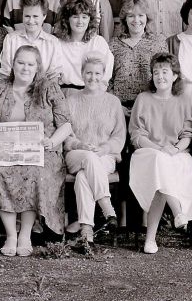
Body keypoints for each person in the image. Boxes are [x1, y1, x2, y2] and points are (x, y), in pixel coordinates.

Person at [0, 46, 72, 256]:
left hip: (41, 149)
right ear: (13, 64)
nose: (25, 67)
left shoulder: (49, 88)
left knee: (35, 171)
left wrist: (52, 141)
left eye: (31, 64)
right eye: (21, 62)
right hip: (3, 148)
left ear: (38, 67)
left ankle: (26, 234)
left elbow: (66, 125)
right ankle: (11, 234)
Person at [128, 53, 192, 254]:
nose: (160, 76)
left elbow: (188, 133)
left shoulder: (184, 100)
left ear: (175, 76)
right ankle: (177, 211)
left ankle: (150, 239)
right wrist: (159, 149)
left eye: (165, 72)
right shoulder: (143, 99)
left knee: (162, 178)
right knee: (159, 163)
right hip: (148, 153)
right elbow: (136, 134)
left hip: (176, 153)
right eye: (156, 72)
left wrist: (176, 149)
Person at [64, 54, 125, 244]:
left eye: (97, 73)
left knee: (84, 176)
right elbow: (65, 134)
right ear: (82, 74)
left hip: (104, 156)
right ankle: (107, 207)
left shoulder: (113, 102)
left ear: (103, 75)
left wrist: (105, 148)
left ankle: (86, 231)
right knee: (88, 158)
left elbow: (119, 136)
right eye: (88, 72)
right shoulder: (70, 100)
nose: (92, 77)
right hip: (75, 154)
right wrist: (79, 145)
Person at [108, 0, 167, 116]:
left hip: (151, 108)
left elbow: (165, 76)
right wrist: (116, 105)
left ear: (147, 17)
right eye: (131, 16)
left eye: (141, 15)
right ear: (125, 19)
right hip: (119, 109)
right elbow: (108, 80)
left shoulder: (159, 42)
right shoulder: (113, 44)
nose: (136, 20)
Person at [55, 0, 113, 96]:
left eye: (84, 17)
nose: (80, 21)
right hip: (64, 93)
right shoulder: (57, 43)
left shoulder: (98, 42)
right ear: (67, 19)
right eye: (75, 16)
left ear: (90, 19)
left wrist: (95, 94)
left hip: (92, 93)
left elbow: (105, 74)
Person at [0, 0, 63, 80]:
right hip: (14, 89)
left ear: (44, 16)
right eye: (27, 16)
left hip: (42, 90)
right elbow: (5, 73)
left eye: (35, 16)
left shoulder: (53, 42)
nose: (31, 21)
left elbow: (54, 76)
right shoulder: (11, 39)